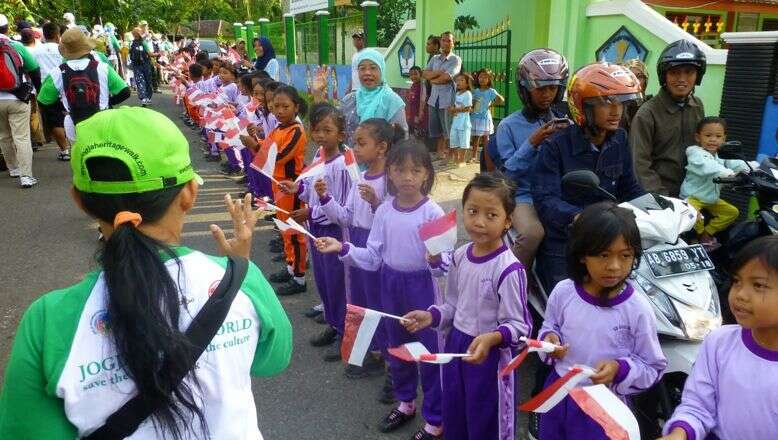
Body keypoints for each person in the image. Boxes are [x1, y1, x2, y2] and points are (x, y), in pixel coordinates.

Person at [0, 107, 293, 438]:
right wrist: (242, 268)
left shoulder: (47, 321)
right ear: (189, 194)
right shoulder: (240, 281)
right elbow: (273, 359)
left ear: (80, 201)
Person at [316, 141, 444, 440]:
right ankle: (406, 402)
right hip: (390, 285)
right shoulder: (385, 210)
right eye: (400, 170)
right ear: (390, 173)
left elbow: (445, 265)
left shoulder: (433, 212)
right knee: (397, 347)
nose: (408, 177)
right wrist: (343, 247)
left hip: (422, 289)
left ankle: (435, 419)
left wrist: (437, 260)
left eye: (416, 170)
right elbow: (373, 256)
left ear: (427, 174)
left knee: (427, 353)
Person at [403, 172, 531, 440]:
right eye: (472, 211)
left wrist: (493, 338)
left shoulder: (509, 269)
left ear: (508, 221)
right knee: (456, 412)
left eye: (491, 215)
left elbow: (520, 327)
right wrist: (431, 316)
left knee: (486, 422)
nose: (480, 222)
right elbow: (452, 305)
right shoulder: (461, 256)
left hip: (490, 358)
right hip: (457, 348)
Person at [537, 202, 667, 439]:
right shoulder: (564, 292)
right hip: (558, 394)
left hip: (605, 406)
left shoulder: (637, 308)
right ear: (582, 255)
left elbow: (653, 366)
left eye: (625, 255)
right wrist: (549, 341)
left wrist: (620, 369)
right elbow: (550, 327)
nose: (614, 266)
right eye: (603, 255)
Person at [532, 62, 645, 290]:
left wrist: (663, 207)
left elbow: (630, 188)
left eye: (621, 103)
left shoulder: (619, 139)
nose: (616, 111)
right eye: (606, 102)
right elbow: (545, 200)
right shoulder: (555, 146)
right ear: (582, 106)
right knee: (565, 302)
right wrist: (578, 217)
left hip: (611, 236)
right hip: (567, 240)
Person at [659, 235, 778, 440]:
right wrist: (679, 434)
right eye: (737, 281)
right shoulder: (719, 342)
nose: (740, 294)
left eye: (758, 285)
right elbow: (697, 405)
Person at [319, 118, 403, 383]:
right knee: (359, 302)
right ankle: (370, 351)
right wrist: (325, 199)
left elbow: (395, 221)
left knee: (380, 305)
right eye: (355, 142)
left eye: (361, 143)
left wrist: (377, 203)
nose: (354, 148)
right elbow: (345, 217)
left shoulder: (391, 182)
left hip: (377, 247)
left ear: (382, 147)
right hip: (355, 243)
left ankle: (392, 365)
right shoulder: (360, 179)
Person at [279, 103, 352, 361]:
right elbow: (311, 188)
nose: (320, 135)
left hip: (333, 230)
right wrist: (297, 189)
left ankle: (344, 333)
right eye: (316, 129)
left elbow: (343, 204)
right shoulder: (320, 156)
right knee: (322, 280)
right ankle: (333, 324)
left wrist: (311, 212)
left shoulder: (342, 165)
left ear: (341, 135)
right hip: (316, 228)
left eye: (327, 130)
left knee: (336, 283)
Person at [490, 48, 568, 268]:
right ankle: (512, 279)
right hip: (524, 195)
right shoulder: (508, 125)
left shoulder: (563, 121)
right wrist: (532, 143)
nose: (547, 95)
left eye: (552, 88)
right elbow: (506, 176)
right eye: (540, 89)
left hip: (556, 192)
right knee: (533, 233)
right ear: (525, 89)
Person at [630, 39, 706, 197]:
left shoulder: (697, 106)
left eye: (689, 72)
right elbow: (640, 165)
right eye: (674, 72)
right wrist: (663, 199)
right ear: (664, 76)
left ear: (697, 76)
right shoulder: (647, 113)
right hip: (660, 197)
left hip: (694, 195)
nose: (682, 79)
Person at [37, 28, 130, 143]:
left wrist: (62, 108)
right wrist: (109, 102)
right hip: (103, 119)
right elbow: (125, 92)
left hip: (74, 122)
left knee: (80, 156)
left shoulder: (57, 72)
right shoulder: (103, 68)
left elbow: (43, 101)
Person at [263, 85, 309, 296]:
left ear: (296, 107)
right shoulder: (278, 128)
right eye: (276, 106)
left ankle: (299, 278)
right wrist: (256, 142)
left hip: (292, 188)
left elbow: (278, 156)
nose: (279, 111)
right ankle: (291, 266)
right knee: (284, 229)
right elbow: (267, 149)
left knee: (294, 232)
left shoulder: (296, 131)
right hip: (278, 185)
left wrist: (256, 148)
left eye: (285, 106)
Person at [680, 117, 752, 248]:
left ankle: (707, 233)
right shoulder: (695, 153)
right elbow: (710, 167)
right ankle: (698, 238)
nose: (713, 139)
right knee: (693, 215)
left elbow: (736, 163)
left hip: (711, 199)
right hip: (692, 197)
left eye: (718, 136)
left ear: (724, 139)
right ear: (698, 137)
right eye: (708, 135)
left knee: (732, 212)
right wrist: (730, 174)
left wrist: (751, 169)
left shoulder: (720, 154)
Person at [0, 13, 42, 188]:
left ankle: (13, 169)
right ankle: (26, 176)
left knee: (3, 136)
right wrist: (37, 90)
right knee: (22, 137)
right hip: (17, 97)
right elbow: (34, 69)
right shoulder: (16, 46)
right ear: (8, 28)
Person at [32, 21, 70, 160]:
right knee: (71, 116)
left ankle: (65, 150)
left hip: (45, 90)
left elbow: (32, 70)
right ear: (57, 35)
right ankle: (75, 145)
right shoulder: (63, 50)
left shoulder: (36, 51)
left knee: (54, 121)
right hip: (64, 87)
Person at [423, 31, 461, 160]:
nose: (445, 43)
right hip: (434, 99)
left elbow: (447, 77)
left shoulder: (456, 59)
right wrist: (438, 72)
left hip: (448, 99)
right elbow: (425, 74)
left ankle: (451, 155)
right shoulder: (434, 59)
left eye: (448, 41)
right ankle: (440, 153)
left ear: (453, 44)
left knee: (449, 128)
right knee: (437, 129)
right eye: (443, 40)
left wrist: (433, 79)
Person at [470, 68, 504, 165]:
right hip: (475, 117)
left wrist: (491, 104)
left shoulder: (491, 91)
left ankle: (486, 156)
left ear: (489, 79)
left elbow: (501, 99)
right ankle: (473, 156)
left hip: (485, 118)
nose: (482, 79)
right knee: (475, 138)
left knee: (486, 138)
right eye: (481, 77)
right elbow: (473, 102)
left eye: (485, 77)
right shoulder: (476, 91)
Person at [20, 28, 45, 150]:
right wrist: (38, 87)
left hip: (19, 89)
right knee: (34, 115)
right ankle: (37, 139)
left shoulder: (18, 48)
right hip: (31, 87)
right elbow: (35, 70)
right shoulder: (37, 49)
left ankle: (34, 139)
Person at [449, 72, 473, 166]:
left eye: (462, 80)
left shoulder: (468, 94)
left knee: (464, 141)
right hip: (456, 121)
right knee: (453, 139)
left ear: (467, 83)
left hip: (464, 122)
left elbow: (468, 108)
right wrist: (452, 110)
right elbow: (456, 106)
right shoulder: (457, 93)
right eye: (457, 80)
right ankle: (456, 158)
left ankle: (462, 160)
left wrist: (455, 109)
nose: (458, 82)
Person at [621, 58, 650, 132]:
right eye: (630, 76)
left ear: (645, 80)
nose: (635, 80)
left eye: (639, 76)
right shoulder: (616, 105)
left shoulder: (653, 105)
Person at [129, 27, 154, 106]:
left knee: (140, 81)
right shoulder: (144, 42)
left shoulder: (132, 43)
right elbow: (150, 54)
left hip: (136, 65)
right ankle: (147, 98)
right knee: (148, 81)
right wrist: (158, 54)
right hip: (145, 64)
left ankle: (143, 98)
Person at [405, 66, 427, 139]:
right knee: (413, 134)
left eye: (415, 74)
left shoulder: (422, 86)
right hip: (412, 114)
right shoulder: (413, 85)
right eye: (411, 74)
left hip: (418, 115)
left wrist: (420, 114)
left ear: (420, 74)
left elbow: (422, 100)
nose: (413, 76)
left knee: (419, 135)